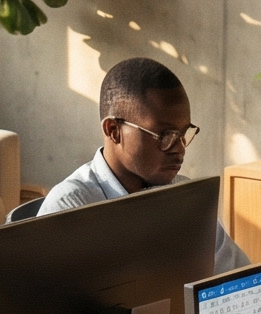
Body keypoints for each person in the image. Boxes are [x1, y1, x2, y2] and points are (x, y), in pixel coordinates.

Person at [39, 57, 248, 274]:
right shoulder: (70, 210)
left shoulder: (185, 198)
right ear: (113, 131)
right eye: (164, 135)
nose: (179, 148)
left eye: (183, 133)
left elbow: (237, 278)